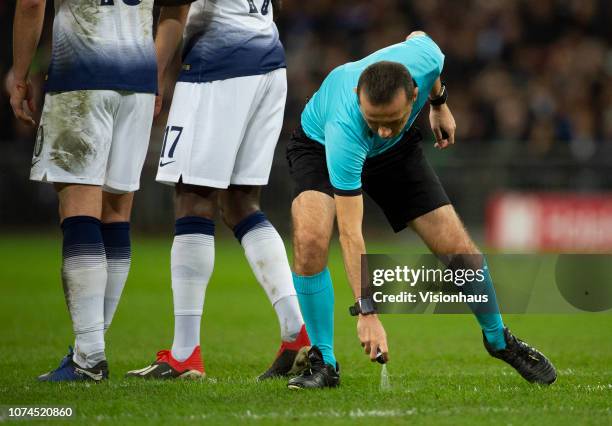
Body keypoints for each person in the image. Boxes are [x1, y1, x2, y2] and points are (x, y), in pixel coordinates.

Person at [285, 31, 557, 389]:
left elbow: (422, 38)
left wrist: (439, 103)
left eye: (393, 119)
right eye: (374, 120)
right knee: (310, 240)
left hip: (397, 155)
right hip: (320, 148)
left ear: (414, 93)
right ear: (357, 97)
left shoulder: (425, 59)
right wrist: (367, 312)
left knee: (458, 249)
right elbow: (352, 232)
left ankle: (499, 339)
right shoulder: (345, 128)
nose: (382, 130)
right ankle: (324, 362)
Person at [126, 0, 310, 380]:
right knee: (241, 204)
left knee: (192, 198)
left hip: (219, 68)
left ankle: (184, 353)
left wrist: (153, 76)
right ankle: (296, 332)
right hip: (269, 63)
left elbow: (175, 10)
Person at [9, 0, 157, 381]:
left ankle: (89, 357)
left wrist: (21, 75)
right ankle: (88, 349)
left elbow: (31, 3)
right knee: (116, 212)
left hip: (82, 76)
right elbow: (176, 12)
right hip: (140, 78)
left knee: (79, 209)